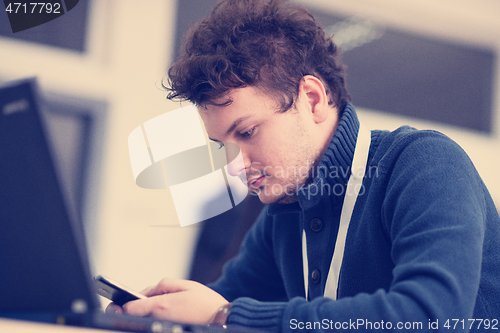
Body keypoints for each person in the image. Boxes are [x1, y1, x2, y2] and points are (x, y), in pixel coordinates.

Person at [109, 0, 500, 331]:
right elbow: (214, 302)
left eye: (246, 132)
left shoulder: (424, 164)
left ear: (312, 99)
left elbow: (432, 317)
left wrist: (225, 315)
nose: (235, 167)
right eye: (223, 146)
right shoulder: (285, 210)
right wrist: (158, 315)